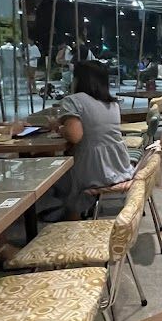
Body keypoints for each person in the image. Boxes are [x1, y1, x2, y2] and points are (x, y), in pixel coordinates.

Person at [51, 60, 134, 220]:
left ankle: (71, 222)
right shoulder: (112, 103)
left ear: (79, 80)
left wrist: (60, 128)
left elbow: (75, 136)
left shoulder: (73, 100)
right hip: (119, 164)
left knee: (54, 176)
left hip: (94, 169)